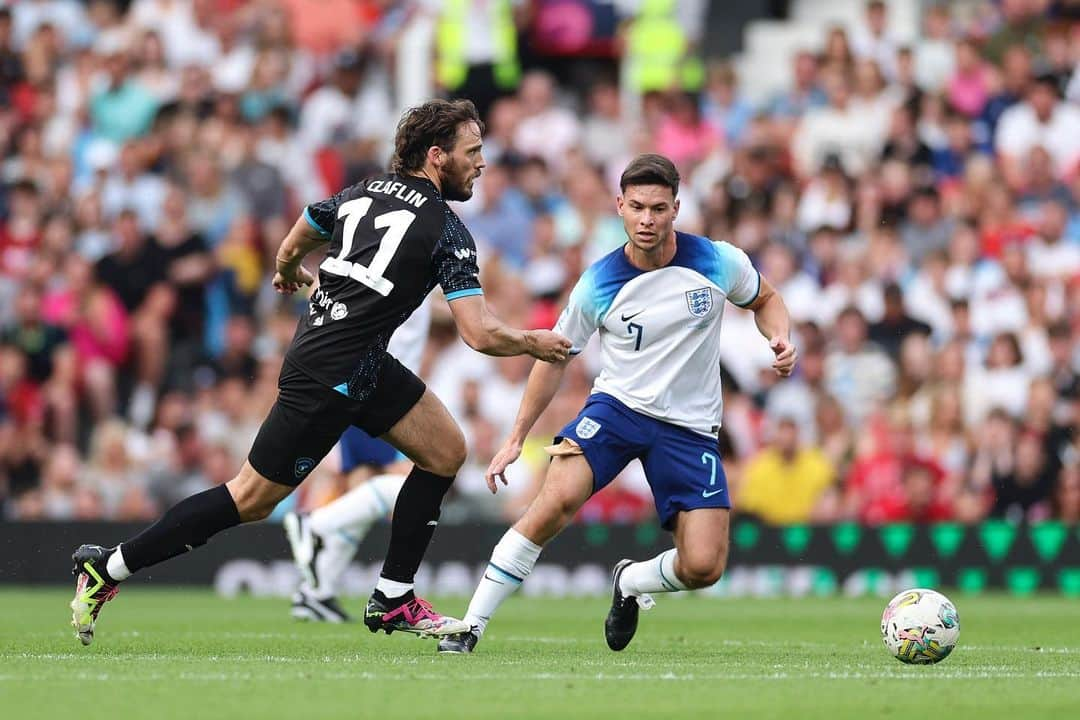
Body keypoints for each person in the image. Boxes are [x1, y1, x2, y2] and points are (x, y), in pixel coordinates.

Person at [68, 99, 572, 646]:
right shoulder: (446, 231)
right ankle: (110, 566)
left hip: (356, 359)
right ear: (436, 156)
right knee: (250, 498)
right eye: (472, 152)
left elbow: (301, 231)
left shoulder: (359, 193)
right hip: (330, 373)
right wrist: (532, 342)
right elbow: (478, 333)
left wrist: (287, 270)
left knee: (446, 451)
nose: (481, 163)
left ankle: (394, 598)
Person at [437, 154, 797, 654]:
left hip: (690, 427)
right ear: (620, 208)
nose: (646, 219)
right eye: (636, 207)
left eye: (657, 208)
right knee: (554, 502)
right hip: (617, 409)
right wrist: (517, 437)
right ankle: (469, 626)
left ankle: (629, 582)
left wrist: (779, 338)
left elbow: (766, 299)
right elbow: (553, 356)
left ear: (676, 208)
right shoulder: (598, 283)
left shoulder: (719, 260)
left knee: (703, 566)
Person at [283, 301, 430, 624]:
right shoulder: (414, 259)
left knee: (363, 485)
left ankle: (316, 592)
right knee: (420, 484)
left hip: (373, 378)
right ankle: (316, 524)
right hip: (381, 382)